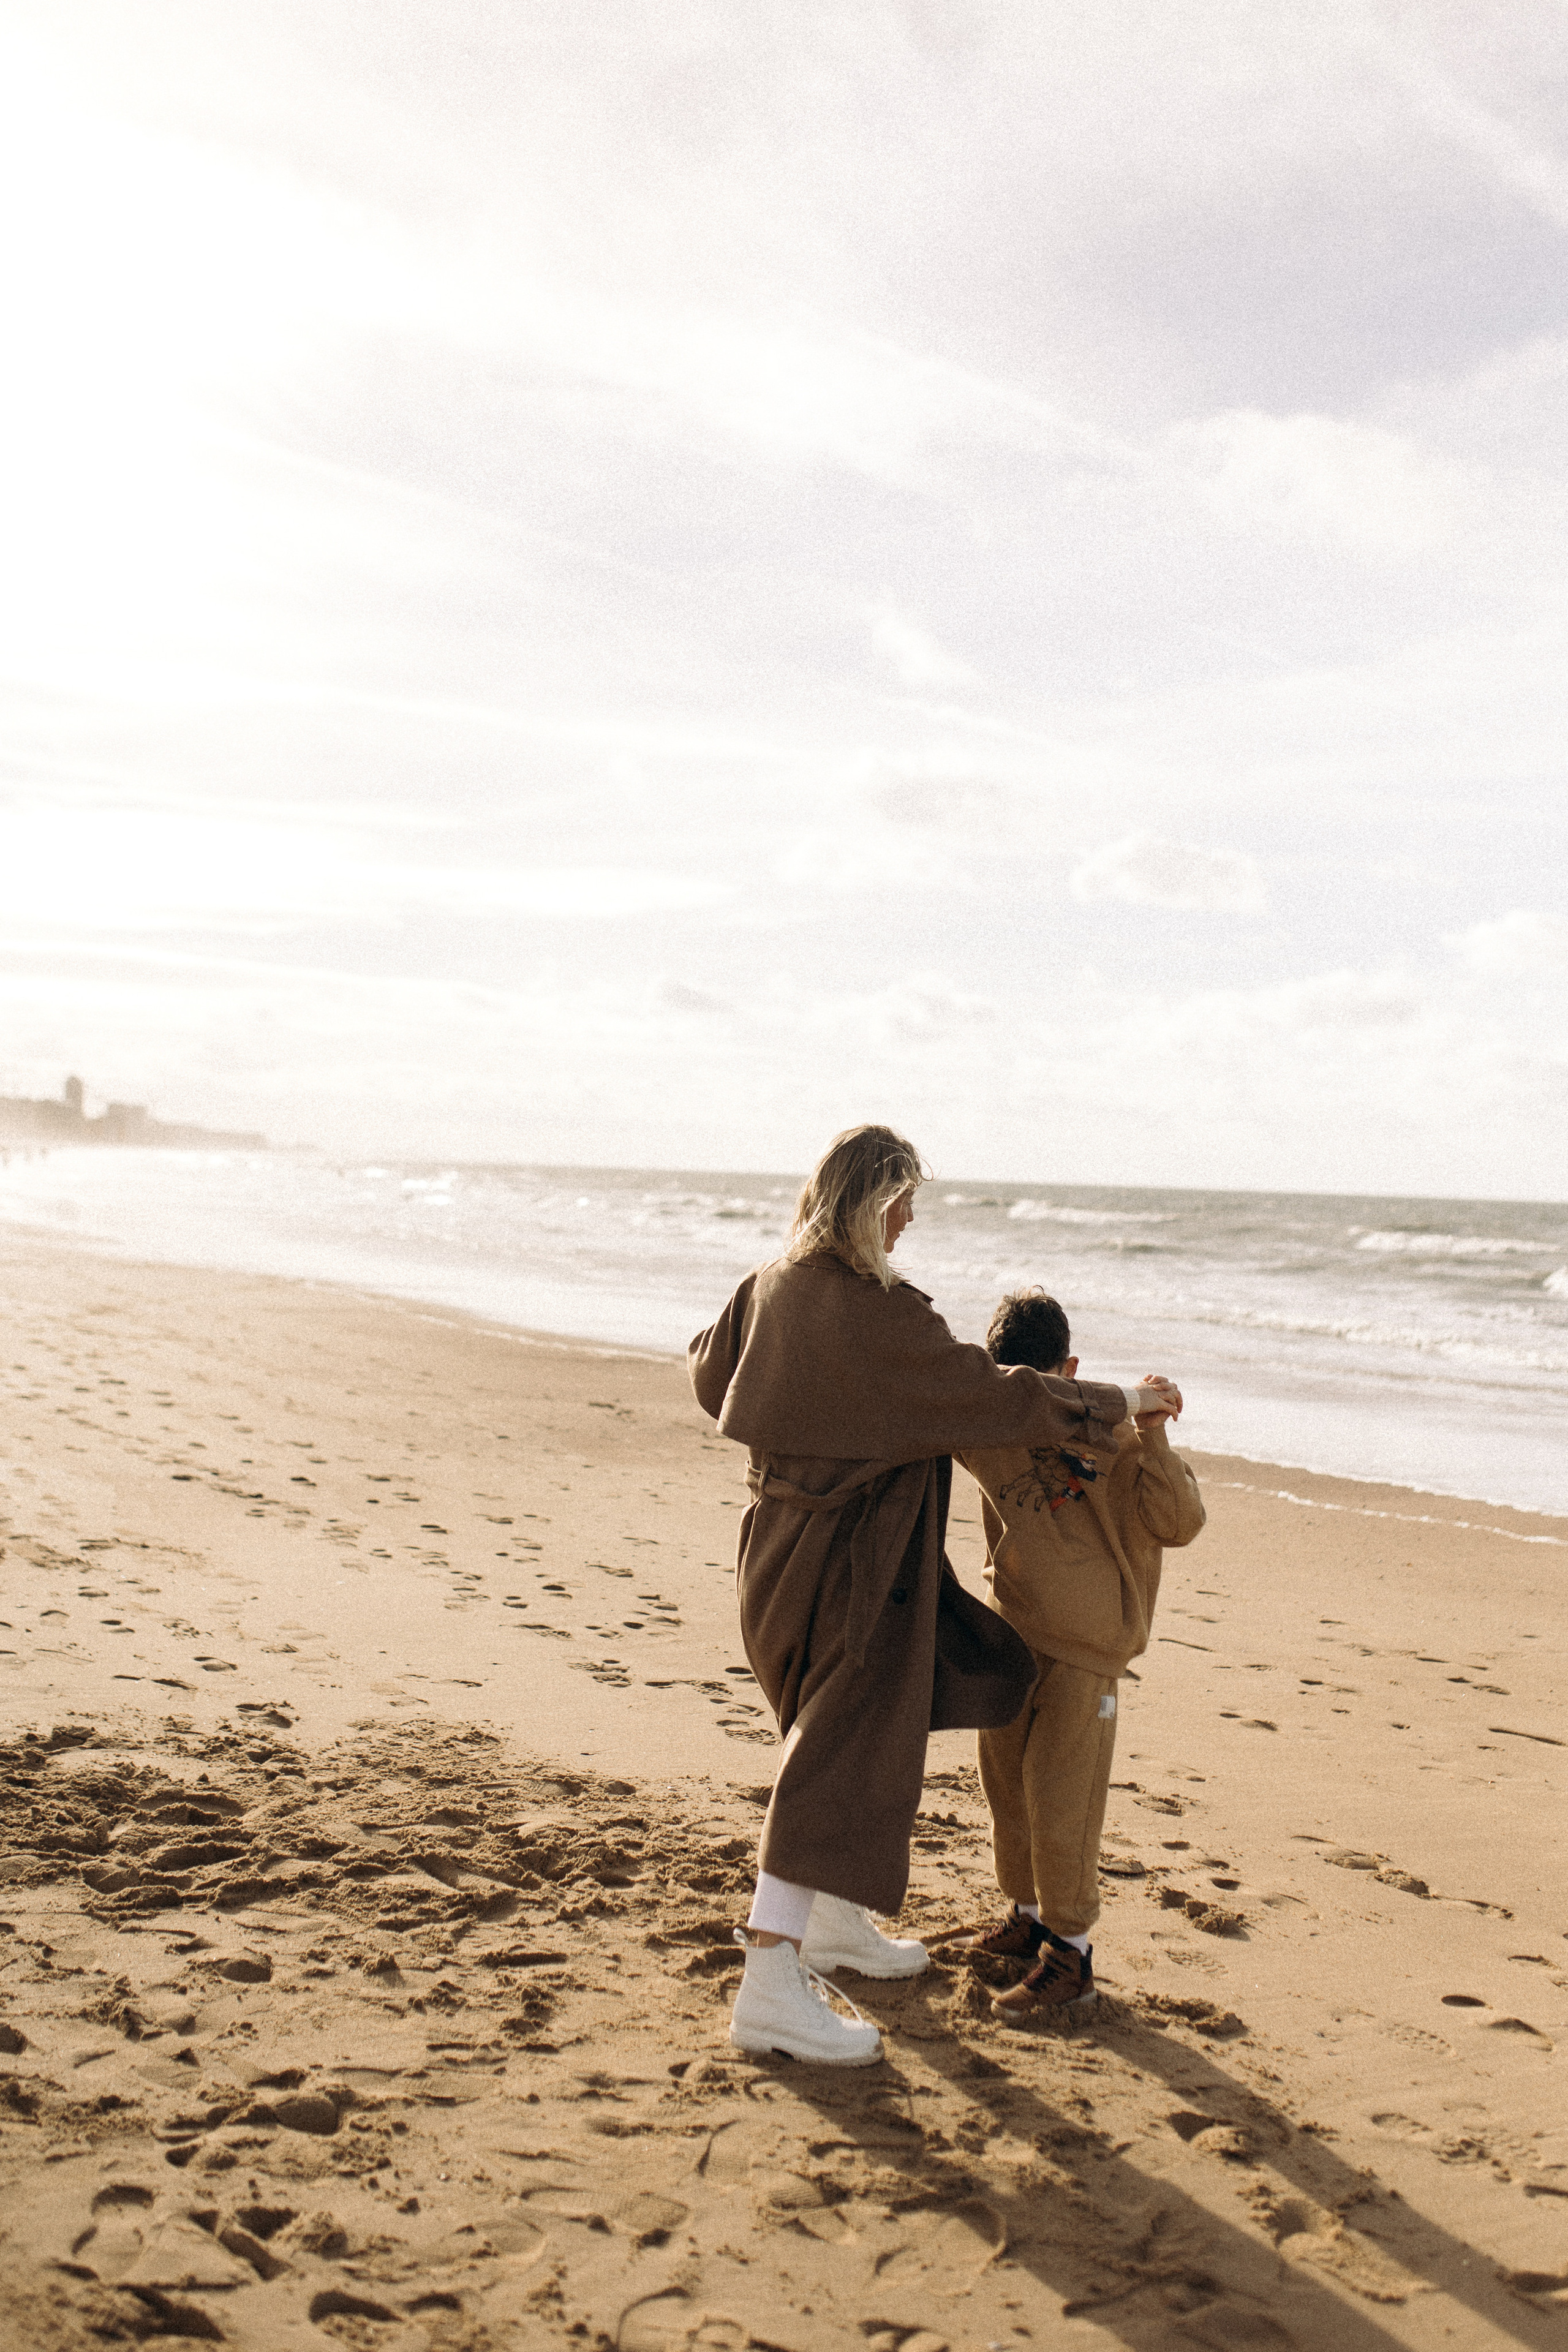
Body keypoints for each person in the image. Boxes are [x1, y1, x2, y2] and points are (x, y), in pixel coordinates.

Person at [688, 1128, 1181, 2065]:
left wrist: (818, 1420)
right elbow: (988, 1395)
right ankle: (769, 1980)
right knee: (833, 1753)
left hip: (775, 1554)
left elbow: (712, 1374)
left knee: (849, 1732)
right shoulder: (881, 1313)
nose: (912, 1219)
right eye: (905, 1201)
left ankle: (830, 1926)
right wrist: (1116, 1405)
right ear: (873, 1204)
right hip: (855, 1567)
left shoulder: (766, 1286)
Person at [955, 1287, 1204, 2019]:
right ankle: (1029, 1916)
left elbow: (1180, 1522)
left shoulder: (1119, 1440)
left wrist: (1150, 1428)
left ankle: (1072, 1956)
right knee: (1007, 1792)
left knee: (1064, 1803)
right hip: (1010, 1631)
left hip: (1088, 1650)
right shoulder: (987, 1429)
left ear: (1070, 1369)